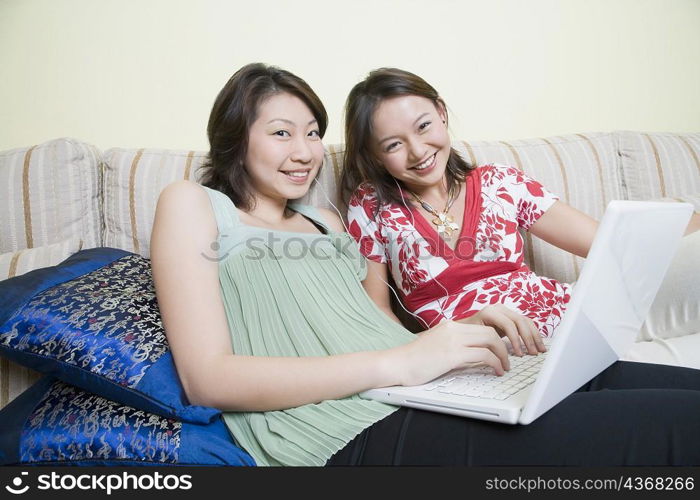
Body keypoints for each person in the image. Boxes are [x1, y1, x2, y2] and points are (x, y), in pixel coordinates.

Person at [150, 63, 700, 467]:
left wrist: (456, 340)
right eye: (280, 133)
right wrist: (407, 363)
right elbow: (208, 379)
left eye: (313, 133)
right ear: (232, 140)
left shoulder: (325, 221)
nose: (305, 151)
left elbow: (370, 326)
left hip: (442, 383)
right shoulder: (195, 204)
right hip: (351, 424)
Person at [340, 67, 700, 353]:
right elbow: (379, 316)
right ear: (374, 154)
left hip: (578, 319)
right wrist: (462, 328)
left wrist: (685, 225)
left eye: (424, 126)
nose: (418, 151)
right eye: (393, 145)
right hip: (493, 352)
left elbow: (609, 241)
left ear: (442, 113)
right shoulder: (371, 205)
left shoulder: (501, 182)